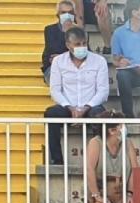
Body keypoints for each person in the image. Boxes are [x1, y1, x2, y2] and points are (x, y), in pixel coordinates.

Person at [45, 27, 109, 164]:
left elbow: (103, 91)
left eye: (84, 43)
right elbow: (55, 90)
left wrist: (86, 107)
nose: (82, 47)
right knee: (51, 113)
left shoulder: (99, 61)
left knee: (100, 115)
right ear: (68, 45)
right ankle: (57, 160)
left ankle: (99, 161)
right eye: (77, 44)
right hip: (68, 107)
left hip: (91, 106)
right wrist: (70, 108)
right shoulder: (58, 62)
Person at [85, 111, 139, 203]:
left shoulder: (127, 143)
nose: (123, 128)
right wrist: (96, 195)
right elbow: (90, 169)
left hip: (123, 190)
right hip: (102, 190)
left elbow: (135, 169)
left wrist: (130, 193)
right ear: (112, 130)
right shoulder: (95, 143)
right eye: (121, 125)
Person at [42, 1, 79, 84]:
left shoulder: (79, 31)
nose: (67, 15)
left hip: (74, 68)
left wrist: (63, 58)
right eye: (63, 12)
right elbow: (53, 53)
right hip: (54, 68)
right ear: (58, 15)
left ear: (74, 15)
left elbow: (85, 53)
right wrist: (65, 32)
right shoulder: (50, 30)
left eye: (70, 12)